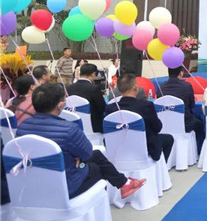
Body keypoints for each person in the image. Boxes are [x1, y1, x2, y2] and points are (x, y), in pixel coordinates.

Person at [17, 83, 146, 199]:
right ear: (61, 105)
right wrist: (76, 157)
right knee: (96, 167)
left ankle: (124, 183)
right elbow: (87, 153)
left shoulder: (22, 127)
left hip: (33, 182)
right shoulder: (69, 129)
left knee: (96, 155)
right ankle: (103, 204)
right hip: (65, 186)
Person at [106, 74, 173, 162]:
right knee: (168, 139)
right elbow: (157, 128)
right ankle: (160, 167)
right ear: (135, 88)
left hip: (119, 148)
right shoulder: (146, 106)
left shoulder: (110, 108)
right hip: (144, 148)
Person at [159, 66, 205, 152]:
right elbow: (192, 105)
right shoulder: (187, 86)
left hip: (165, 124)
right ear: (181, 73)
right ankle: (199, 151)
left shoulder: (161, 87)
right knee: (200, 123)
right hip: (185, 124)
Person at [66, 64, 106, 133]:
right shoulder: (94, 88)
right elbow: (102, 108)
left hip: (72, 126)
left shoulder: (68, 88)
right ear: (93, 74)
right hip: (92, 128)